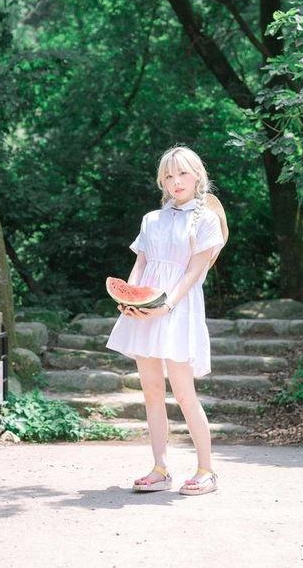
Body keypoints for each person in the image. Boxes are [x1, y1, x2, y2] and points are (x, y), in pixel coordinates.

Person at [105, 144, 226, 495]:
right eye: (169, 175)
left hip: (179, 309)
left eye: (183, 173)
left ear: (198, 176)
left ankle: (206, 470)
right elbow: (141, 264)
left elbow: (193, 272)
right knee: (152, 391)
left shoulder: (206, 220)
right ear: (162, 181)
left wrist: (167, 305)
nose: (176, 181)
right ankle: (160, 469)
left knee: (185, 393)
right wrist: (127, 297)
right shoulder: (151, 220)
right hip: (146, 311)